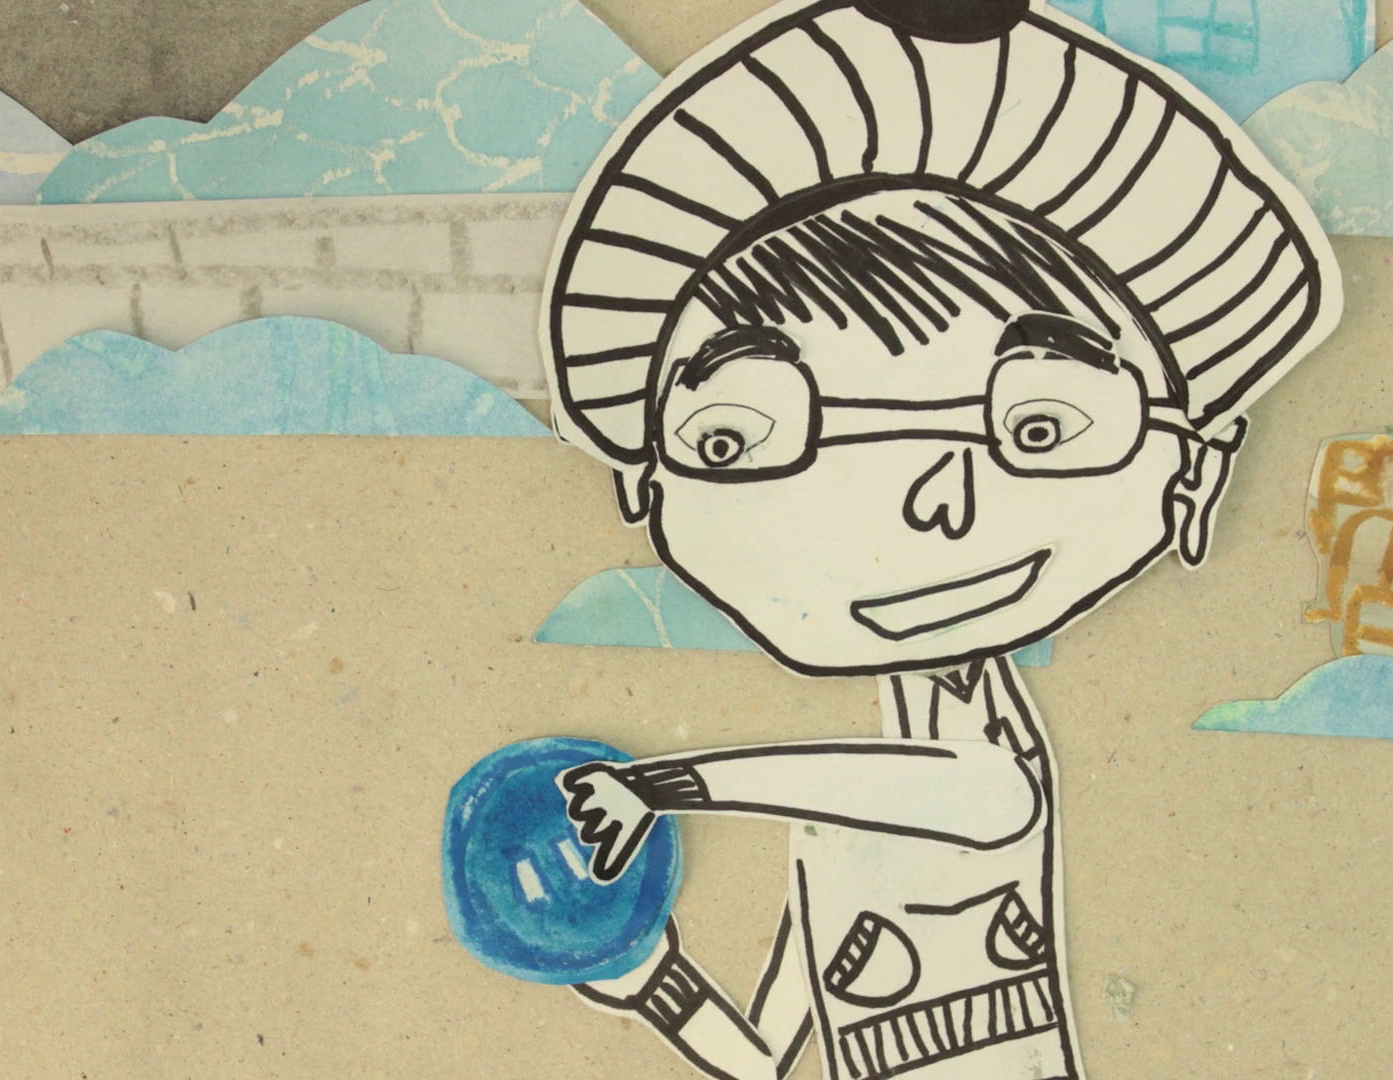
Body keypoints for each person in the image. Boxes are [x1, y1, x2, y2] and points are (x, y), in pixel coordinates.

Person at [537, 2, 1342, 1077]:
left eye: (1037, 426)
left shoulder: (991, 759)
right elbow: (768, 1060)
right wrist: (652, 982)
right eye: (739, 436)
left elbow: (961, 792)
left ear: (1191, 468)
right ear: (651, 487)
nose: (927, 499)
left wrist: (669, 785)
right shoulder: (834, 836)